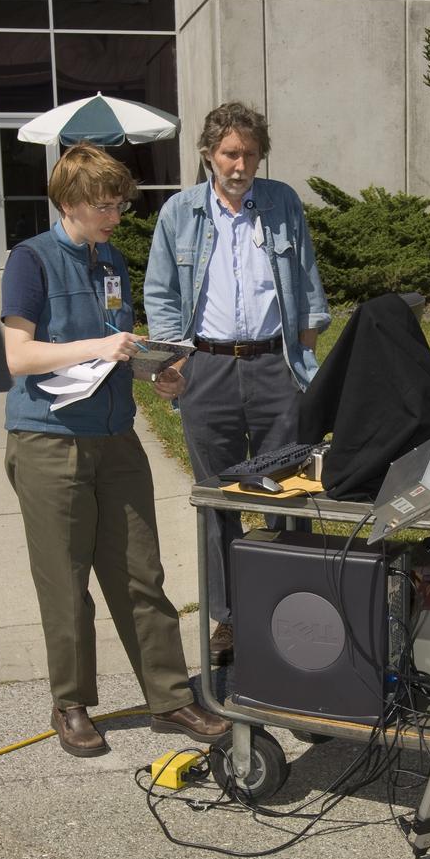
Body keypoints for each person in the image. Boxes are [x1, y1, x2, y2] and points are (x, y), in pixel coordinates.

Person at [1, 141, 231, 757]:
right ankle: (71, 702)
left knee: (140, 573)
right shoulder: (32, 260)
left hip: (115, 438)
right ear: (70, 203)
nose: (114, 217)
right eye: (104, 206)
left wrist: (153, 372)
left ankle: (169, 698)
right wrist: (95, 350)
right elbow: (19, 356)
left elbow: (112, 344)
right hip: (49, 441)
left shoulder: (112, 263)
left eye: (120, 206)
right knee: (65, 579)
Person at [144, 101, 330, 665]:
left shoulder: (281, 204)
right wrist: (172, 363)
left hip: (276, 368)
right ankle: (226, 620)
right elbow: (161, 295)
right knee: (218, 501)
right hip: (209, 371)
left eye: (249, 153)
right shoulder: (180, 214)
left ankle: (290, 607)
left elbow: (307, 285)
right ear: (208, 154)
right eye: (230, 153)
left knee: (289, 496)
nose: (240, 163)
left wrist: (303, 356)